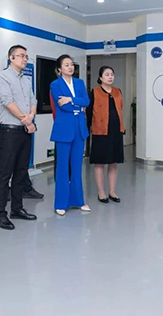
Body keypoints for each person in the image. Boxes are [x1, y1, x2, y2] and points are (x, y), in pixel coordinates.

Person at [0, 45, 38, 230]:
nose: (25, 59)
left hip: (25, 131)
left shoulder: (26, 80)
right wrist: (25, 119)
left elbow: (33, 101)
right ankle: (1, 214)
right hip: (9, 131)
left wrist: (31, 117)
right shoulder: (2, 77)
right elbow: (7, 101)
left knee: (21, 171)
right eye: (21, 56)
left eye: (26, 56)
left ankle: (17, 209)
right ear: (11, 58)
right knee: (5, 173)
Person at [49, 55, 91, 216]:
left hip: (79, 129)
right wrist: (77, 104)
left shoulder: (79, 83)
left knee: (77, 166)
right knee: (62, 168)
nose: (70, 67)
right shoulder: (55, 84)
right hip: (64, 130)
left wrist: (71, 99)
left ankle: (78, 200)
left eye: (71, 64)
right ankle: (60, 203)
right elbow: (63, 107)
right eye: (66, 65)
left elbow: (86, 101)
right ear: (59, 69)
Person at [86, 66, 125, 204]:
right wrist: (87, 130)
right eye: (107, 74)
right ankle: (101, 192)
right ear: (100, 78)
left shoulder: (117, 91)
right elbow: (89, 113)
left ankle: (112, 192)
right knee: (100, 162)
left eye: (112, 74)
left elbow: (120, 107)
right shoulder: (94, 92)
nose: (110, 77)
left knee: (113, 162)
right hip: (100, 131)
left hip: (116, 131)